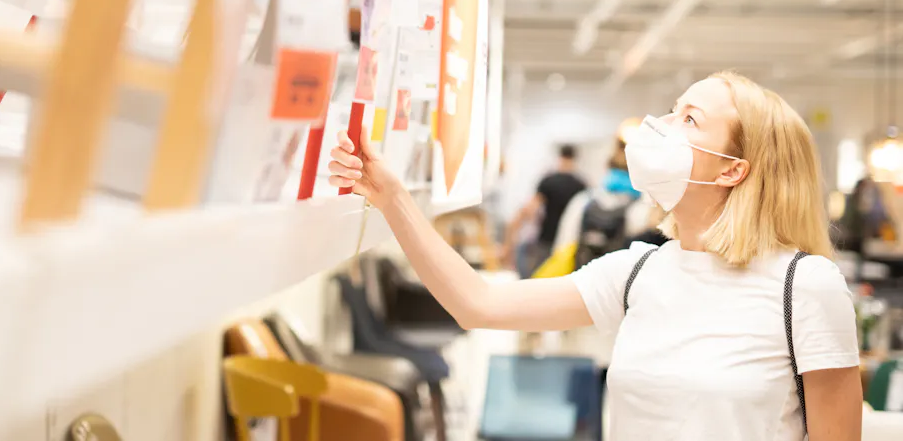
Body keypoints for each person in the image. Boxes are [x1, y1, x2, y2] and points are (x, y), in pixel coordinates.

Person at [328, 71, 861, 441]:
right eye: (673, 109)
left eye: (689, 119)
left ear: (732, 170)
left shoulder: (804, 286)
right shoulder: (638, 271)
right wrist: (392, 198)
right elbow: (478, 305)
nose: (661, 125)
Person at [554, 136, 660, 271]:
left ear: (608, 166)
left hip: (581, 275)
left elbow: (562, 246)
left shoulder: (584, 200)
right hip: (619, 278)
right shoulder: (643, 208)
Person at [504, 144, 586, 278]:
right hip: (568, 244)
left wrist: (513, 230)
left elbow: (531, 209)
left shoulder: (549, 181)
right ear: (574, 158)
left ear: (560, 157)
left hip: (546, 240)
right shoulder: (581, 184)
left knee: (539, 278)